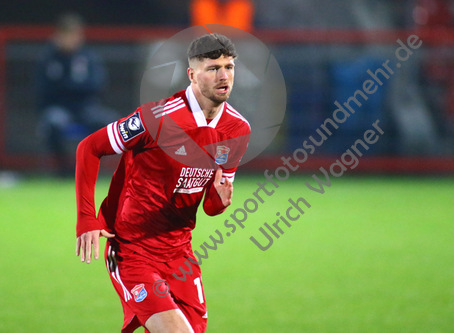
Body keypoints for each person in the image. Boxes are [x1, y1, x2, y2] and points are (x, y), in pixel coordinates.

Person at [75, 33, 250, 333]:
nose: (224, 76)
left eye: (229, 67)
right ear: (192, 75)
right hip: (132, 249)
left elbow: (210, 206)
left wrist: (220, 201)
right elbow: (90, 148)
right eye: (213, 68)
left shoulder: (237, 129)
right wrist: (85, 219)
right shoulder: (157, 119)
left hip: (180, 254)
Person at [36, 13, 116, 176]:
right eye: (65, 35)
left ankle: (94, 169)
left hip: (85, 108)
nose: (70, 39)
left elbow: (97, 85)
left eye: (73, 35)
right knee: (53, 122)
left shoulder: (88, 58)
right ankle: (63, 170)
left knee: (108, 123)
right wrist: (75, 87)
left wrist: (67, 86)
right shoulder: (48, 58)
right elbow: (44, 90)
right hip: (59, 108)